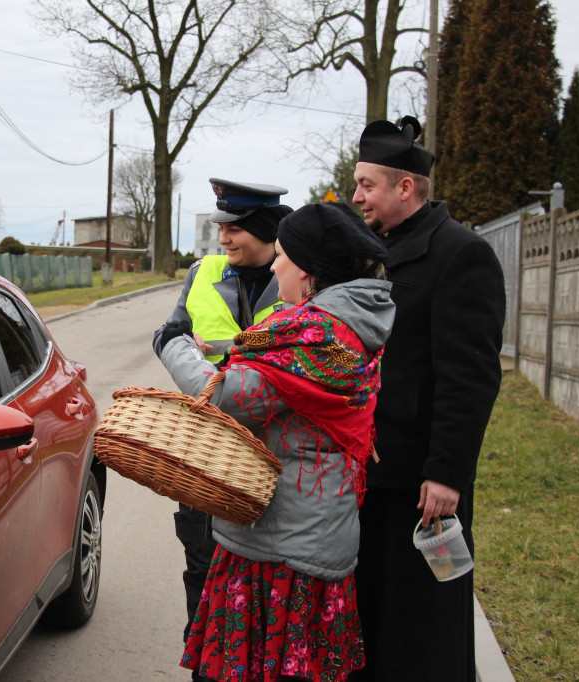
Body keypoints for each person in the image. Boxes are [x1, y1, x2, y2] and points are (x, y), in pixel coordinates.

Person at [157, 201, 395, 682]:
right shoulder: (343, 325)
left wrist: (175, 345)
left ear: (307, 271)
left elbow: (224, 395)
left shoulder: (314, 333)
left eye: (283, 254)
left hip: (282, 554)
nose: (275, 264)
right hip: (313, 534)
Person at [347, 117, 506, 681]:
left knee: (423, 630)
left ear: (405, 187)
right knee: (371, 624)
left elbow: (472, 379)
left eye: (367, 185)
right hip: (367, 475)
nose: (356, 195)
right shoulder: (372, 252)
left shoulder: (461, 255)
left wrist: (446, 474)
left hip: (421, 488)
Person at [153, 178, 293, 663]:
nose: (225, 238)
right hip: (206, 454)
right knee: (203, 572)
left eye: (235, 229)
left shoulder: (299, 276)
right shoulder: (202, 273)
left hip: (271, 458)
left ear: (266, 230)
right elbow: (169, 334)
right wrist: (179, 351)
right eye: (222, 228)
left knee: (265, 586)